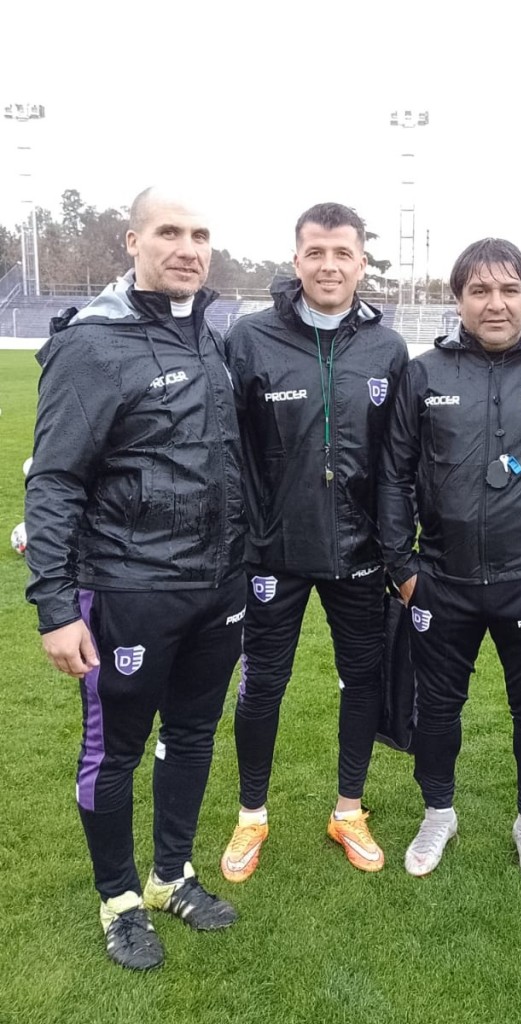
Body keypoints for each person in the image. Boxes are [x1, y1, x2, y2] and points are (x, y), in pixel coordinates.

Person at [25, 187, 246, 971]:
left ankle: (170, 875)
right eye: (169, 232)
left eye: (200, 234)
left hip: (217, 589)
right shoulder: (93, 344)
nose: (188, 248)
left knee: (191, 736)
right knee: (113, 750)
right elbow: (54, 480)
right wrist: (57, 608)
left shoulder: (208, 336)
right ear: (132, 241)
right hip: (127, 591)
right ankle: (118, 899)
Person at [378, 238, 521, 885]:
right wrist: (404, 570)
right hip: (440, 582)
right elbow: (393, 476)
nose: (495, 303)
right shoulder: (424, 374)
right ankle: (438, 813)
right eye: (479, 290)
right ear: (458, 300)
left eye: (509, 289)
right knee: (436, 709)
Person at [219, 203, 408, 881]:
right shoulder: (249, 339)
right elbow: (225, 449)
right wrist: (242, 535)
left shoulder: (387, 348)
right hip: (272, 550)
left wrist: (395, 544)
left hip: (360, 552)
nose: (330, 266)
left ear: (362, 262)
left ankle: (348, 810)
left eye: (343, 253)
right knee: (263, 683)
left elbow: (399, 460)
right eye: (316, 252)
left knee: (362, 679)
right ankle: (251, 816)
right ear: (296, 259)